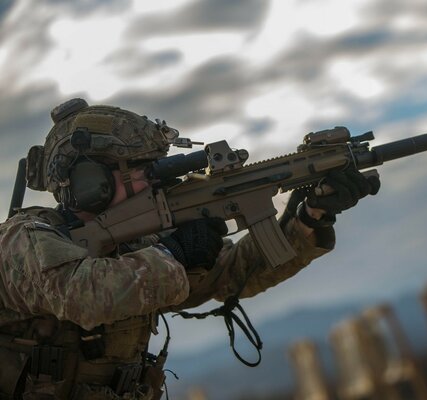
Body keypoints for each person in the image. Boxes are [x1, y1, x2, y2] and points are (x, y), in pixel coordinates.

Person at [0, 98, 380, 399]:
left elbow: (230, 275)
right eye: (140, 171)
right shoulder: (24, 240)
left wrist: (308, 219)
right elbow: (83, 295)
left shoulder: (137, 247)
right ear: (88, 181)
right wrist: (175, 254)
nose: (154, 183)